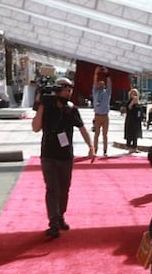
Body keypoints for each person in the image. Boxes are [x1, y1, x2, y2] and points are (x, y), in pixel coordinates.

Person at [31, 77, 96, 238]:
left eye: (70, 89)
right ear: (58, 90)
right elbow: (35, 128)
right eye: (66, 89)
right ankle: (53, 222)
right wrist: (41, 105)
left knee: (64, 189)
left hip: (66, 156)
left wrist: (91, 146)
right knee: (52, 188)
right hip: (48, 155)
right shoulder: (46, 107)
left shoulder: (71, 109)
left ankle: (60, 216)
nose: (69, 92)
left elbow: (82, 128)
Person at [91, 66, 111, 156]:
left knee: (105, 135)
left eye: (102, 83)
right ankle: (95, 150)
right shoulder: (95, 92)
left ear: (104, 85)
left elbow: (110, 83)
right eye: (99, 83)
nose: (100, 84)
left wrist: (107, 74)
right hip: (97, 116)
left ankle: (105, 150)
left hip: (105, 116)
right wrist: (96, 73)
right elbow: (94, 82)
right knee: (96, 135)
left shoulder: (107, 92)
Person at [124, 88, 144, 152]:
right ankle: (129, 146)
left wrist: (142, 118)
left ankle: (135, 147)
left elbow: (140, 111)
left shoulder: (139, 102)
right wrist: (133, 101)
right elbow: (129, 108)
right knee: (130, 133)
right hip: (130, 120)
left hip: (137, 120)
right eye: (132, 93)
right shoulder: (129, 101)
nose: (134, 95)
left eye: (135, 94)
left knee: (136, 134)